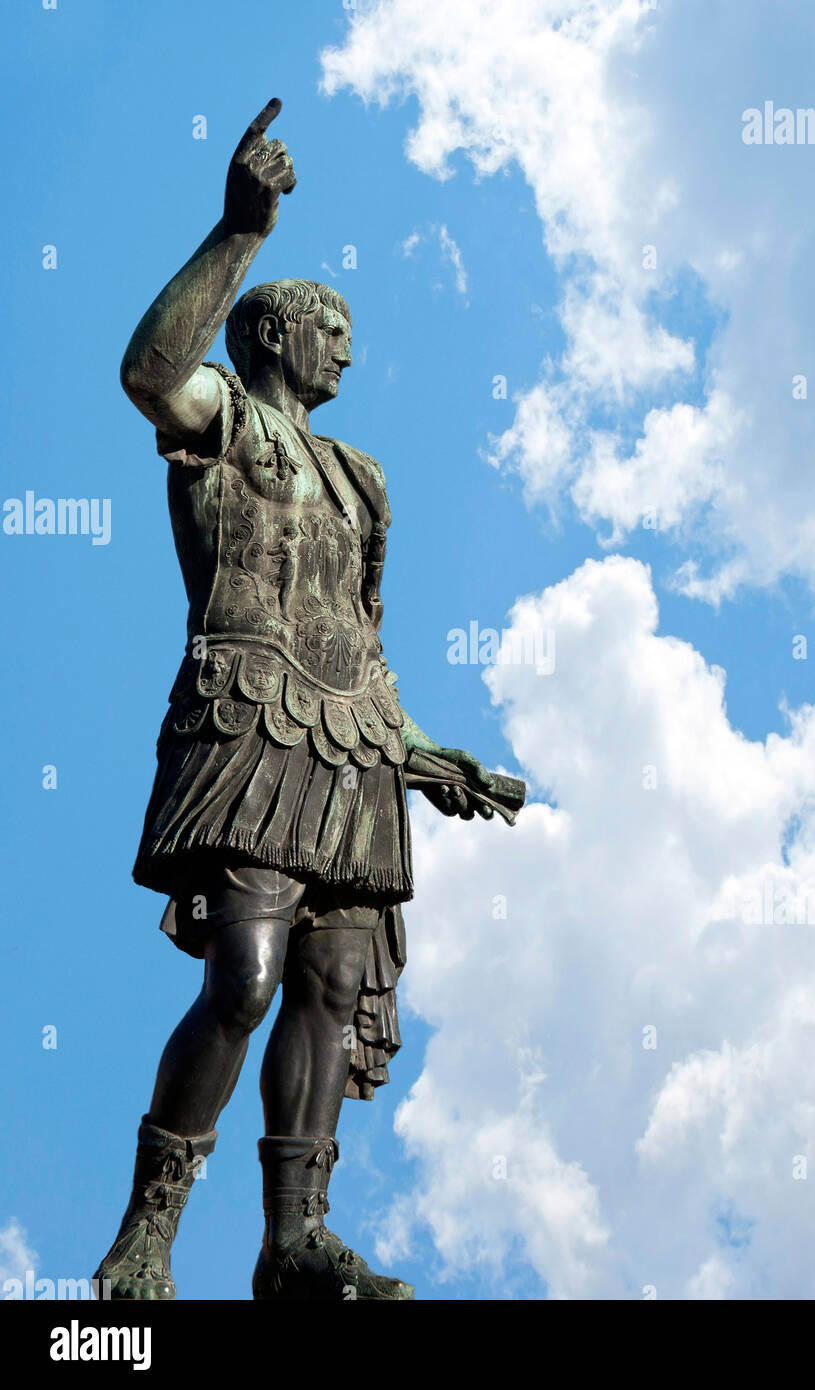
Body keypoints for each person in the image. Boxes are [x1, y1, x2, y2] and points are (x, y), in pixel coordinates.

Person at [95, 98, 523, 1302]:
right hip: (249, 720)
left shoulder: (362, 481)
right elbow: (147, 368)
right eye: (331, 328)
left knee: (332, 985)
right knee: (244, 974)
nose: (349, 349)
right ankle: (148, 1231)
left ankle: (293, 1237)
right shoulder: (222, 422)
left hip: (351, 747)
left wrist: (436, 760)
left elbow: (365, 648)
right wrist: (239, 232)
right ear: (272, 336)